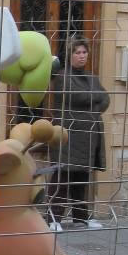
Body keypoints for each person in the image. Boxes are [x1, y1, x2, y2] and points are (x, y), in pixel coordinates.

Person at [47, 37, 110, 231]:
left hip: (87, 137)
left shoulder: (92, 78)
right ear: (70, 55)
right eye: (77, 52)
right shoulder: (62, 76)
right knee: (62, 177)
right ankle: (53, 219)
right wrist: (95, 97)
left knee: (81, 179)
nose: (81, 56)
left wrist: (94, 99)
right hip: (68, 136)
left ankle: (81, 218)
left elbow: (105, 100)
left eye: (84, 52)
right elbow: (78, 96)